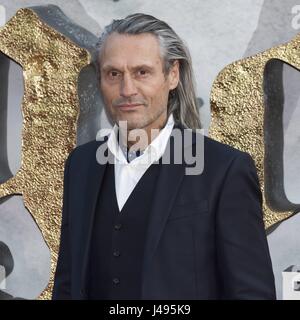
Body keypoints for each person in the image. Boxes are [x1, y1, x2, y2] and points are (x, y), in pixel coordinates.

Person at [52, 13, 276, 300]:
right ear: (99, 79)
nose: (127, 90)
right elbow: (68, 283)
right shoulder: (81, 165)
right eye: (113, 74)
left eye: (142, 72)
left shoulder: (224, 169)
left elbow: (252, 294)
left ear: (172, 75)